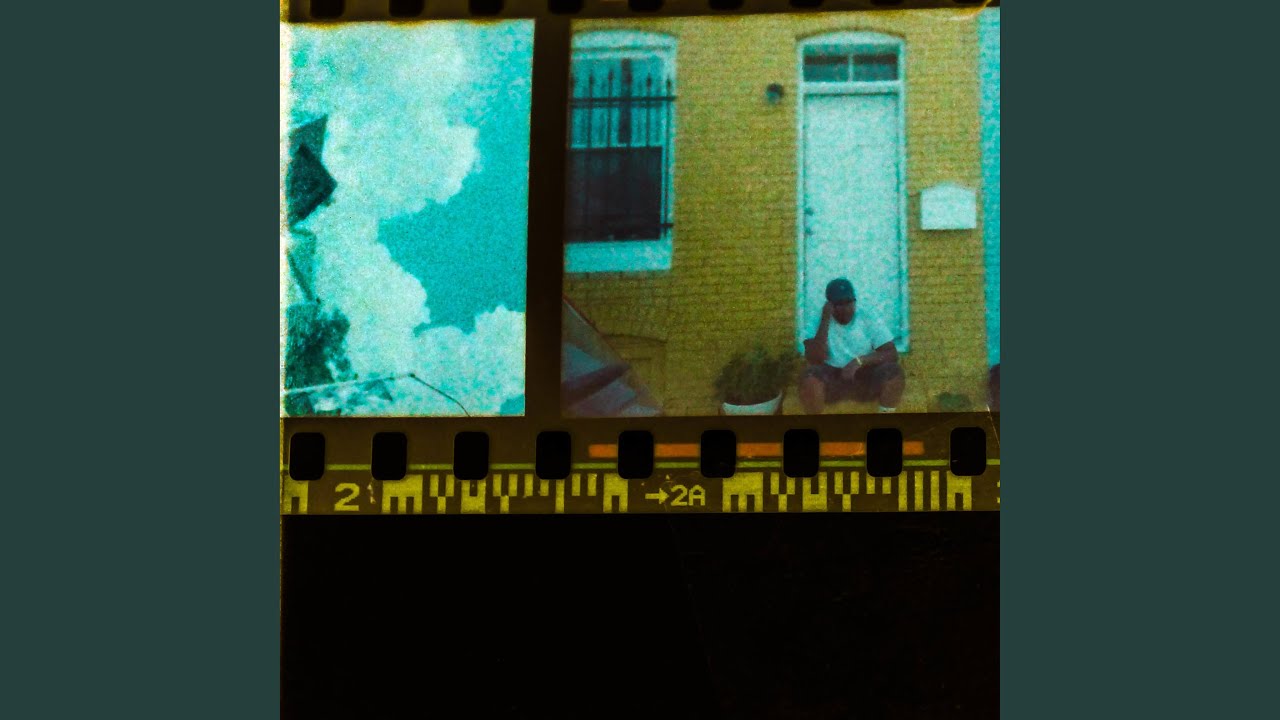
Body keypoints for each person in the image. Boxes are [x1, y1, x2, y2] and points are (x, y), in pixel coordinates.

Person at [800, 278, 905, 414]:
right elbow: (814, 358)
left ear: (855, 301)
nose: (846, 308)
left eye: (849, 302)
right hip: (832, 377)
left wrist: (859, 361)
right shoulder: (817, 319)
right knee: (809, 377)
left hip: (864, 374)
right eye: (839, 304)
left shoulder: (867, 316)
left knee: (894, 372)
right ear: (830, 305)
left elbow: (891, 353)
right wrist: (825, 319)